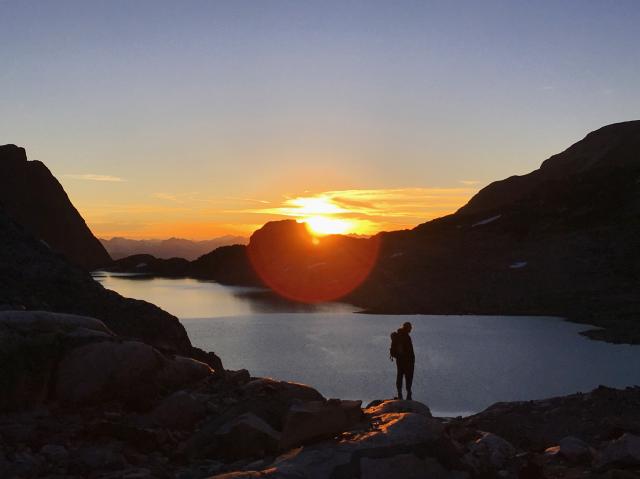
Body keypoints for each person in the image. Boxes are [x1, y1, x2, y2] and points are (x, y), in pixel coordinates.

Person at [392, 321, 415, 400]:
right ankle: (408, 394)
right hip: (407, 361)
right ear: (407, 328)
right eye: (410, 327)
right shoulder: (406, 336)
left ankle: (400, 394)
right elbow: (409, 350)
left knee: (400, 375)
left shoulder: (398, 335)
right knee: (408, 377)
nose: (411, 329)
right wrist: (411, 360)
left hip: (399, 360)